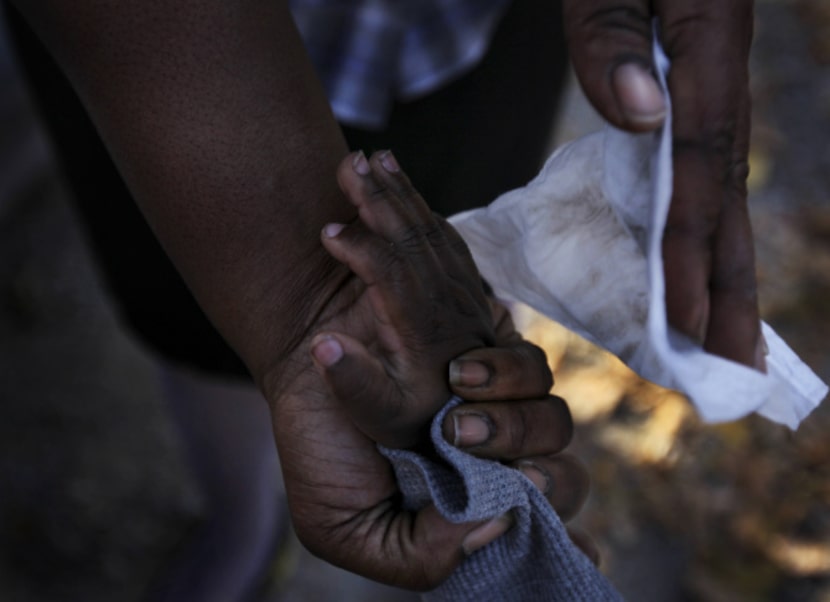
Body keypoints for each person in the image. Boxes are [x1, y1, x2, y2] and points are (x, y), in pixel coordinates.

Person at [4, 0, 761, 593]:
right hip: (150, 68)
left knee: (459, 304)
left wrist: (309, 315)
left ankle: (438, 517)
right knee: (197, 323)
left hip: (456, 37)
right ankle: (238, 519)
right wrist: (296, 309)